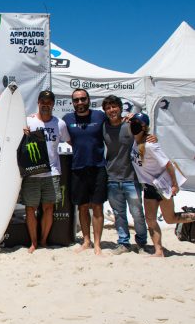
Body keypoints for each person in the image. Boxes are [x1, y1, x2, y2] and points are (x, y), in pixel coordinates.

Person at [129, 112, 195, 257]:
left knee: (170, 219)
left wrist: (175, 185)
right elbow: (127, 119)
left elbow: (168, 164)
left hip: (162, 187)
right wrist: (131, 117)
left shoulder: (150, 145)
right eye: (133, 123)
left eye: (137, 124)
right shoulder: (135, 140)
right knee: (150, 220)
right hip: (148, 187)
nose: (133, 125)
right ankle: (159, 250)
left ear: (144, 127)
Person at [21, 90, 70, 253]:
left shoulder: (60, 124)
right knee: (30, 208)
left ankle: (43, 240)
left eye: (49, 102)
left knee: (49, 208)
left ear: (53, 104)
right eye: (43, 101)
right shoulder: (28, 121)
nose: (46, 104)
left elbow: (70, 141)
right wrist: (23, 134)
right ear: (38, 102)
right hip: (32, 173)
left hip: (52, 172)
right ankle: (33, 242)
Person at [63, 88, 107, 255]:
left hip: (98, 167)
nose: (80, 102)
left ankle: (97, 244)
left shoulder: (100, 116)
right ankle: (86, 241)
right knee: (82, 207)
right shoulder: (67, 119)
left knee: (97, 206)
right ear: (72, 102)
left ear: (88, 100)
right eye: (76, 100)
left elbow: (118, 123)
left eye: (83, 99)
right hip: (78, 168)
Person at [102, 95, 148, 255]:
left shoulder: (131, 124)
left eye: (114, 107)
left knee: (137, 214)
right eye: (108, 108)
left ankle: (142, 243)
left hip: (131, 178)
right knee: (119, 214)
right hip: (112, 178)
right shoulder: (104, 127)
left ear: (120, 108)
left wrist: (150, 135)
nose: (111, 110)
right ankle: (123, 243)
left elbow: (145, 135)